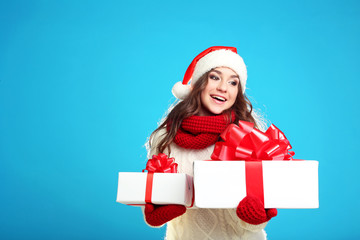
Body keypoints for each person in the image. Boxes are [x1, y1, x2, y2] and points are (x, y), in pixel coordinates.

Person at [143, 46, 277, 240]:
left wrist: (255, 215)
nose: (223, 87)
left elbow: (257, 215)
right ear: (198, 83)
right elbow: (153, 203)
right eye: (214, 77)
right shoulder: (165, 138)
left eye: (233, 82)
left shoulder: (248, 136)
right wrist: (156, 210)